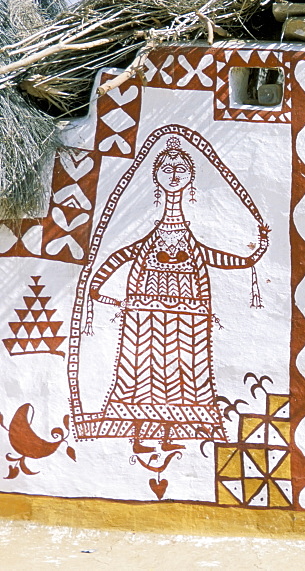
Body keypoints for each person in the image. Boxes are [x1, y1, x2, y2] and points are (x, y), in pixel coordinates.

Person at [88, 135, 269, 454]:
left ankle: (171, 433)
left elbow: (214, 257)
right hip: (146, 319)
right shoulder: (149, 240)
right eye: (167, 167)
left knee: (184, 369)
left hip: (189, 319)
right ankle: (142, 436)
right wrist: (106, 295)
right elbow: (118, 259)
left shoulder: (189, 239)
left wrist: (253, 257)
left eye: (181, 168)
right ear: (156, 176)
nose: (174, 173)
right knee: (143, 368)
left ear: (190, 177)